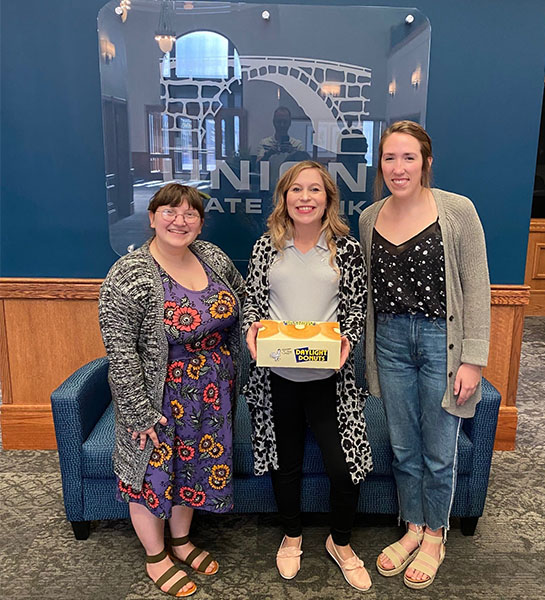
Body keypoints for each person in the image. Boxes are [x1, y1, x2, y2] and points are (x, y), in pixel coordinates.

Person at [359, 121, 490, 590]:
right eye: (390, 158)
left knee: (439, 450)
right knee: (402, 446)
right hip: (391, 342)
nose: (398, 168)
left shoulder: (457, 211)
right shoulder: (370, 217)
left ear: (426, 162)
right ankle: (412, 526)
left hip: (443, 343)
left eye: (408, 157)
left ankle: (436, 535)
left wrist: (473, 359)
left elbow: (476, 288)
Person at [99, 183, 244, 597]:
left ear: (200, 223)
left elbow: (243, 298)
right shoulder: (129, 274)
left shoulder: (212, 257)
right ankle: (156, 554)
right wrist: (138, 412)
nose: (179, 221)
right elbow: (120, 350)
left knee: (193, 468)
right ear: (151, 217)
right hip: (157, 396)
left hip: (213, 388)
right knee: (152, 474)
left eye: (190, 214)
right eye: (169, 211)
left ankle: (181, 542)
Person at [243, 161, 373, 592]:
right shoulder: (267, 247)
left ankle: (341, 542)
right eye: (295, 189)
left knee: (345, 469)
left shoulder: (346, 249)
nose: (304, 197)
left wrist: (349, 341)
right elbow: (252, 303)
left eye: (314, 190)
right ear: (284, 197)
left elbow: (356, 310)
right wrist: (251, 328)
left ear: (328, 199)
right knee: (286, 465)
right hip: (277, 377)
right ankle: (293, 535)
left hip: (328, 379)